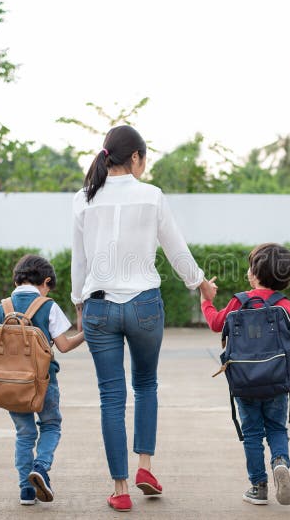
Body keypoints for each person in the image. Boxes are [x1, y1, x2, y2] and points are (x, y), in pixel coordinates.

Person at [71, 125, 217, 513]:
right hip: (145, 307)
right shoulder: (152, 197)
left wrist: (78, 303)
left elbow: (79, 260)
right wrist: (200, 284)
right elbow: (176, 248)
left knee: (110, 398)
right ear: (135, 157)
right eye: (144, 158)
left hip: (99, 306)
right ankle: (145, 467)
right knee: (147, 385)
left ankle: (119, 489)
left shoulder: (83, 198)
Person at [201, 243, 290, 507]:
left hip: (244, 384)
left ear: (254, 273)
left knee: (252, 433)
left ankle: (258, 487)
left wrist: (206, 301)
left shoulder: (239, 301)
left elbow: (216, 324)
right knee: (277, 429)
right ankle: (280, 462)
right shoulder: (286, 307)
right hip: (277, 383)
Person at [0, 254, 84, 506]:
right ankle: (41, 466)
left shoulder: (2, 307)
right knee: (51, 425)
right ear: (46, 281)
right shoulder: (48, 306)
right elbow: (64, 346)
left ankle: (26, 491)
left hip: (8, 384)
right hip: (42, 382)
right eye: (49, 287)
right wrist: (86, 334)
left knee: (24, 434)